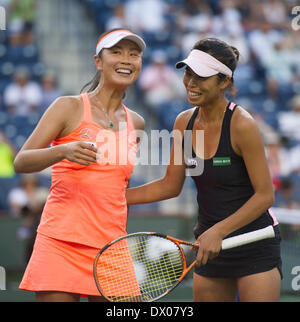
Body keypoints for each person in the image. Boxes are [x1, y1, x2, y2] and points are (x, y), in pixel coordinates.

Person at [126, 38, 282, 302]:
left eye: (201, 76)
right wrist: (116, 197)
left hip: (254, 244)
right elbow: (169, 185)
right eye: (188, 73)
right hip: (209, 249)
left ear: (223, 82)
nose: (191, 82)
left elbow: (265, 195)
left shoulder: (242, 125)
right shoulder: (183, 123)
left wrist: (219, 231)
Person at [14, 28, 146, 302]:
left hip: (111, 246)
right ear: (98, 61)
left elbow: (121, 187)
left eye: (134, 54)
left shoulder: (138, 124)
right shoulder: (67, 107)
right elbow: (21, 161)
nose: (126, 59)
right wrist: (63, 150)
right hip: (60, 242)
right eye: (117, 52)